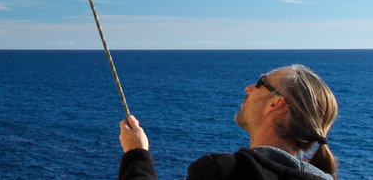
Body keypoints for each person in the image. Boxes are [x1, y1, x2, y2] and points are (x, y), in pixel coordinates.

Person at [118, 65, 339, 180]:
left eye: (261, 83)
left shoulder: (222, 172)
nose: (249, 88)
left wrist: (136, 153)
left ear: (276, 104)